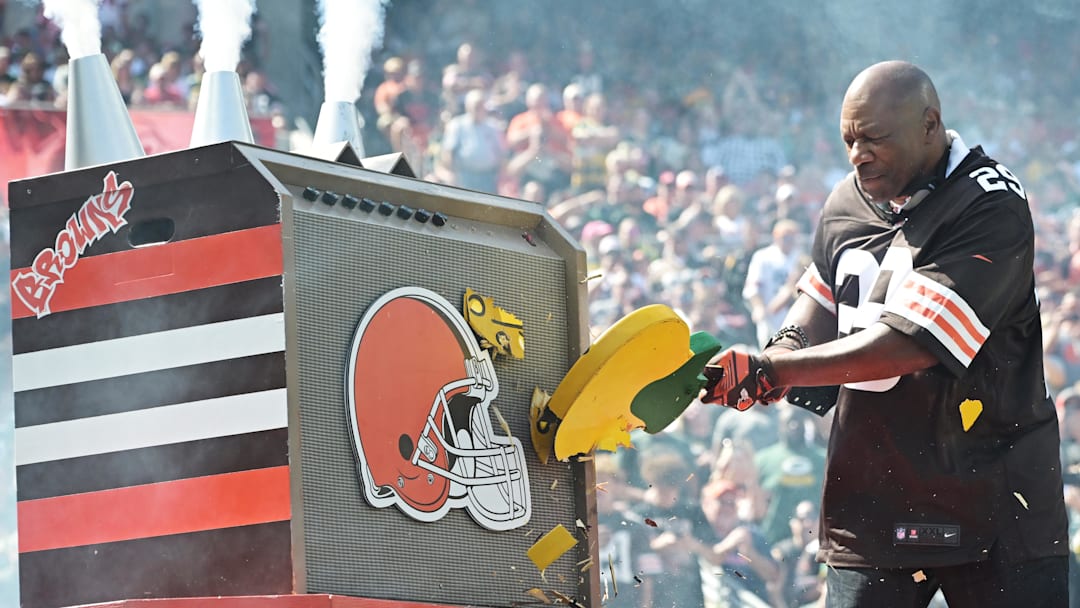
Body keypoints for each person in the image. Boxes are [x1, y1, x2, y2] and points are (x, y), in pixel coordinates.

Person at [702, 60, 1069, 607]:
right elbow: (819, 302)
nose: (857, 155)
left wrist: (776, 369)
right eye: (849, 140)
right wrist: (776, 356)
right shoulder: (846, 201)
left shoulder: (989, 202)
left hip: (994, 504)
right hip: (876, 502)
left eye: (874, 138)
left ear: (929, 124)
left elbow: (913, 343)